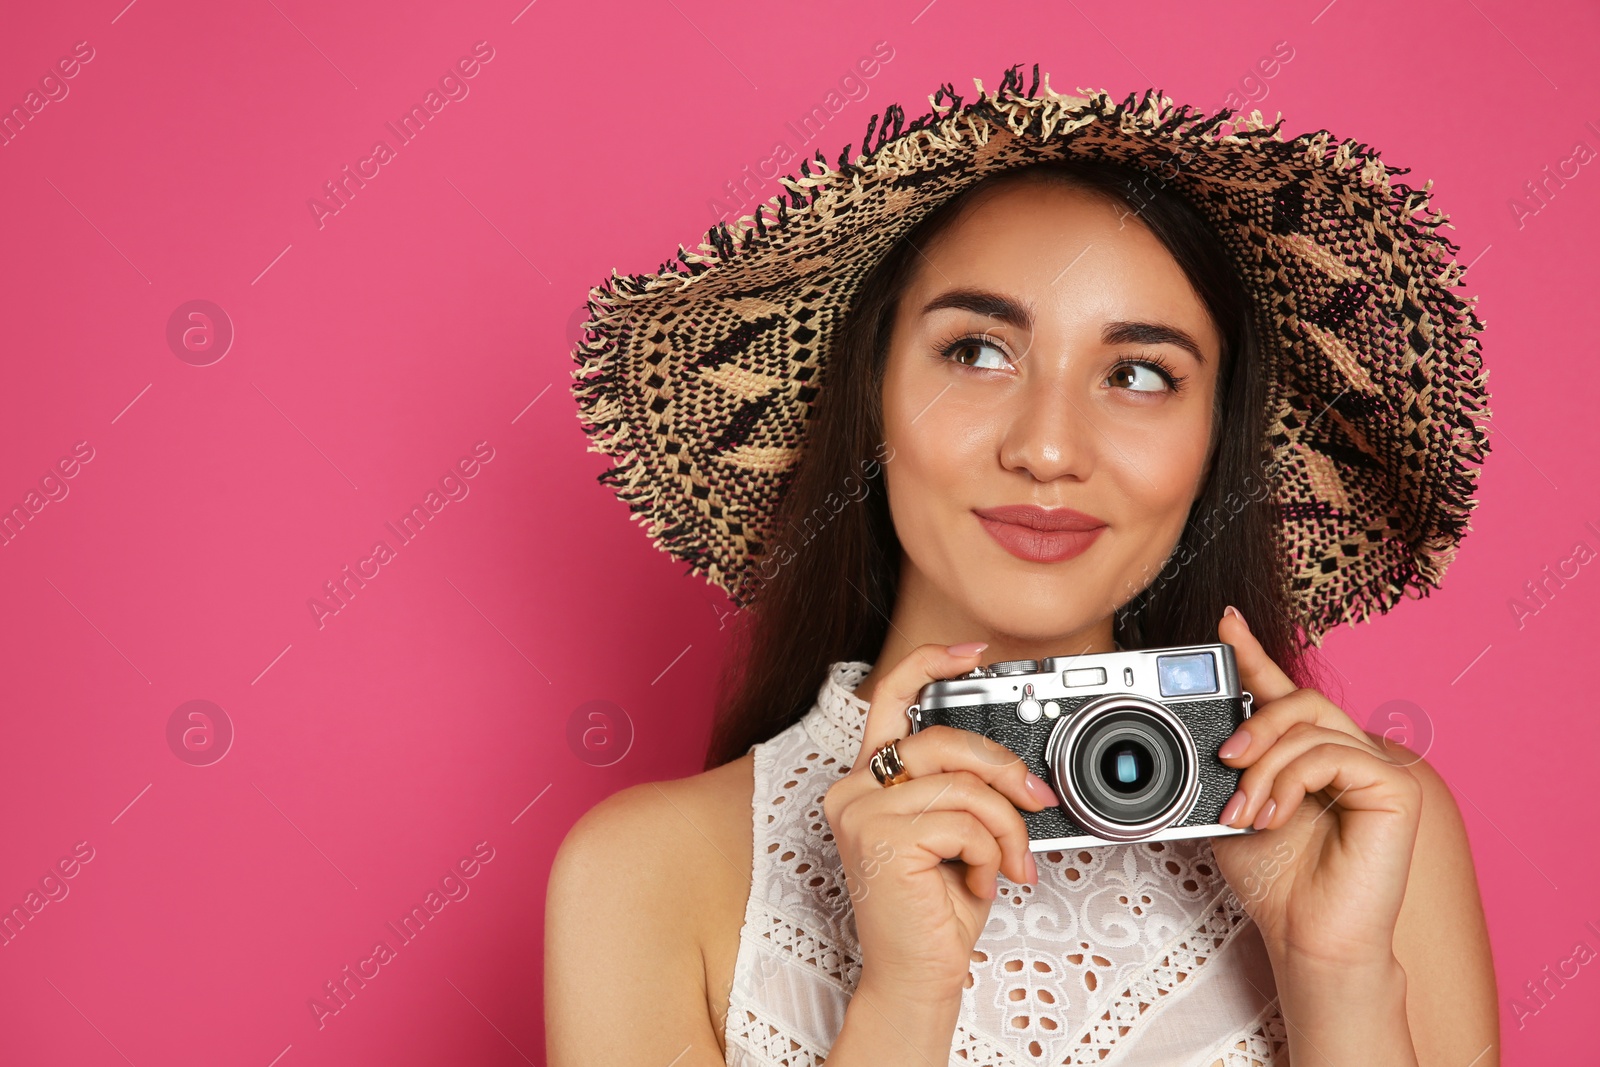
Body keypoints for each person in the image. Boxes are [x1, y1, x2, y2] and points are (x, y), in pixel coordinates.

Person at [548, 65, 1498, 1065]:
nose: (1047, 449)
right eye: (976, 352)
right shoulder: (648, 872)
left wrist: (1336, 975)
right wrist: (904, 993)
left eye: (1138, 374)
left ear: (1216, 440)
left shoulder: (1374, 830)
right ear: (871, 392)